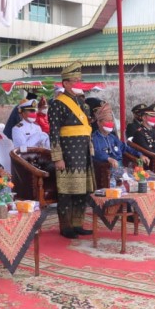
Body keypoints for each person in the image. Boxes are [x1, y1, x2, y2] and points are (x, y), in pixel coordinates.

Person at [48, 62, 95, 238]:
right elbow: (53, 132)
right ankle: (66, 226)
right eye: (75, 80)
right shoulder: (57, 104)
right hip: (68, 153)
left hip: (83, 151)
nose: (78, 83)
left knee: (82, 190)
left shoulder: (81, 102)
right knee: (67, 191)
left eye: (79, 80)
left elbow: (86, 127)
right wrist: (57, 157)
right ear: (65, 83)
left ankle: (77, 223)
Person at [91, 103, 148, 169]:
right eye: (107, 121)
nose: (110, 123)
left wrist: (140, 154)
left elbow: (125, 147)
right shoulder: (94, 138)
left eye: (111, 121)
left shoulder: (112, 137)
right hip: (106, 169)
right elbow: (95, 153)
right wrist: (108, 158)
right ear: (99, 123)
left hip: (120, 168)